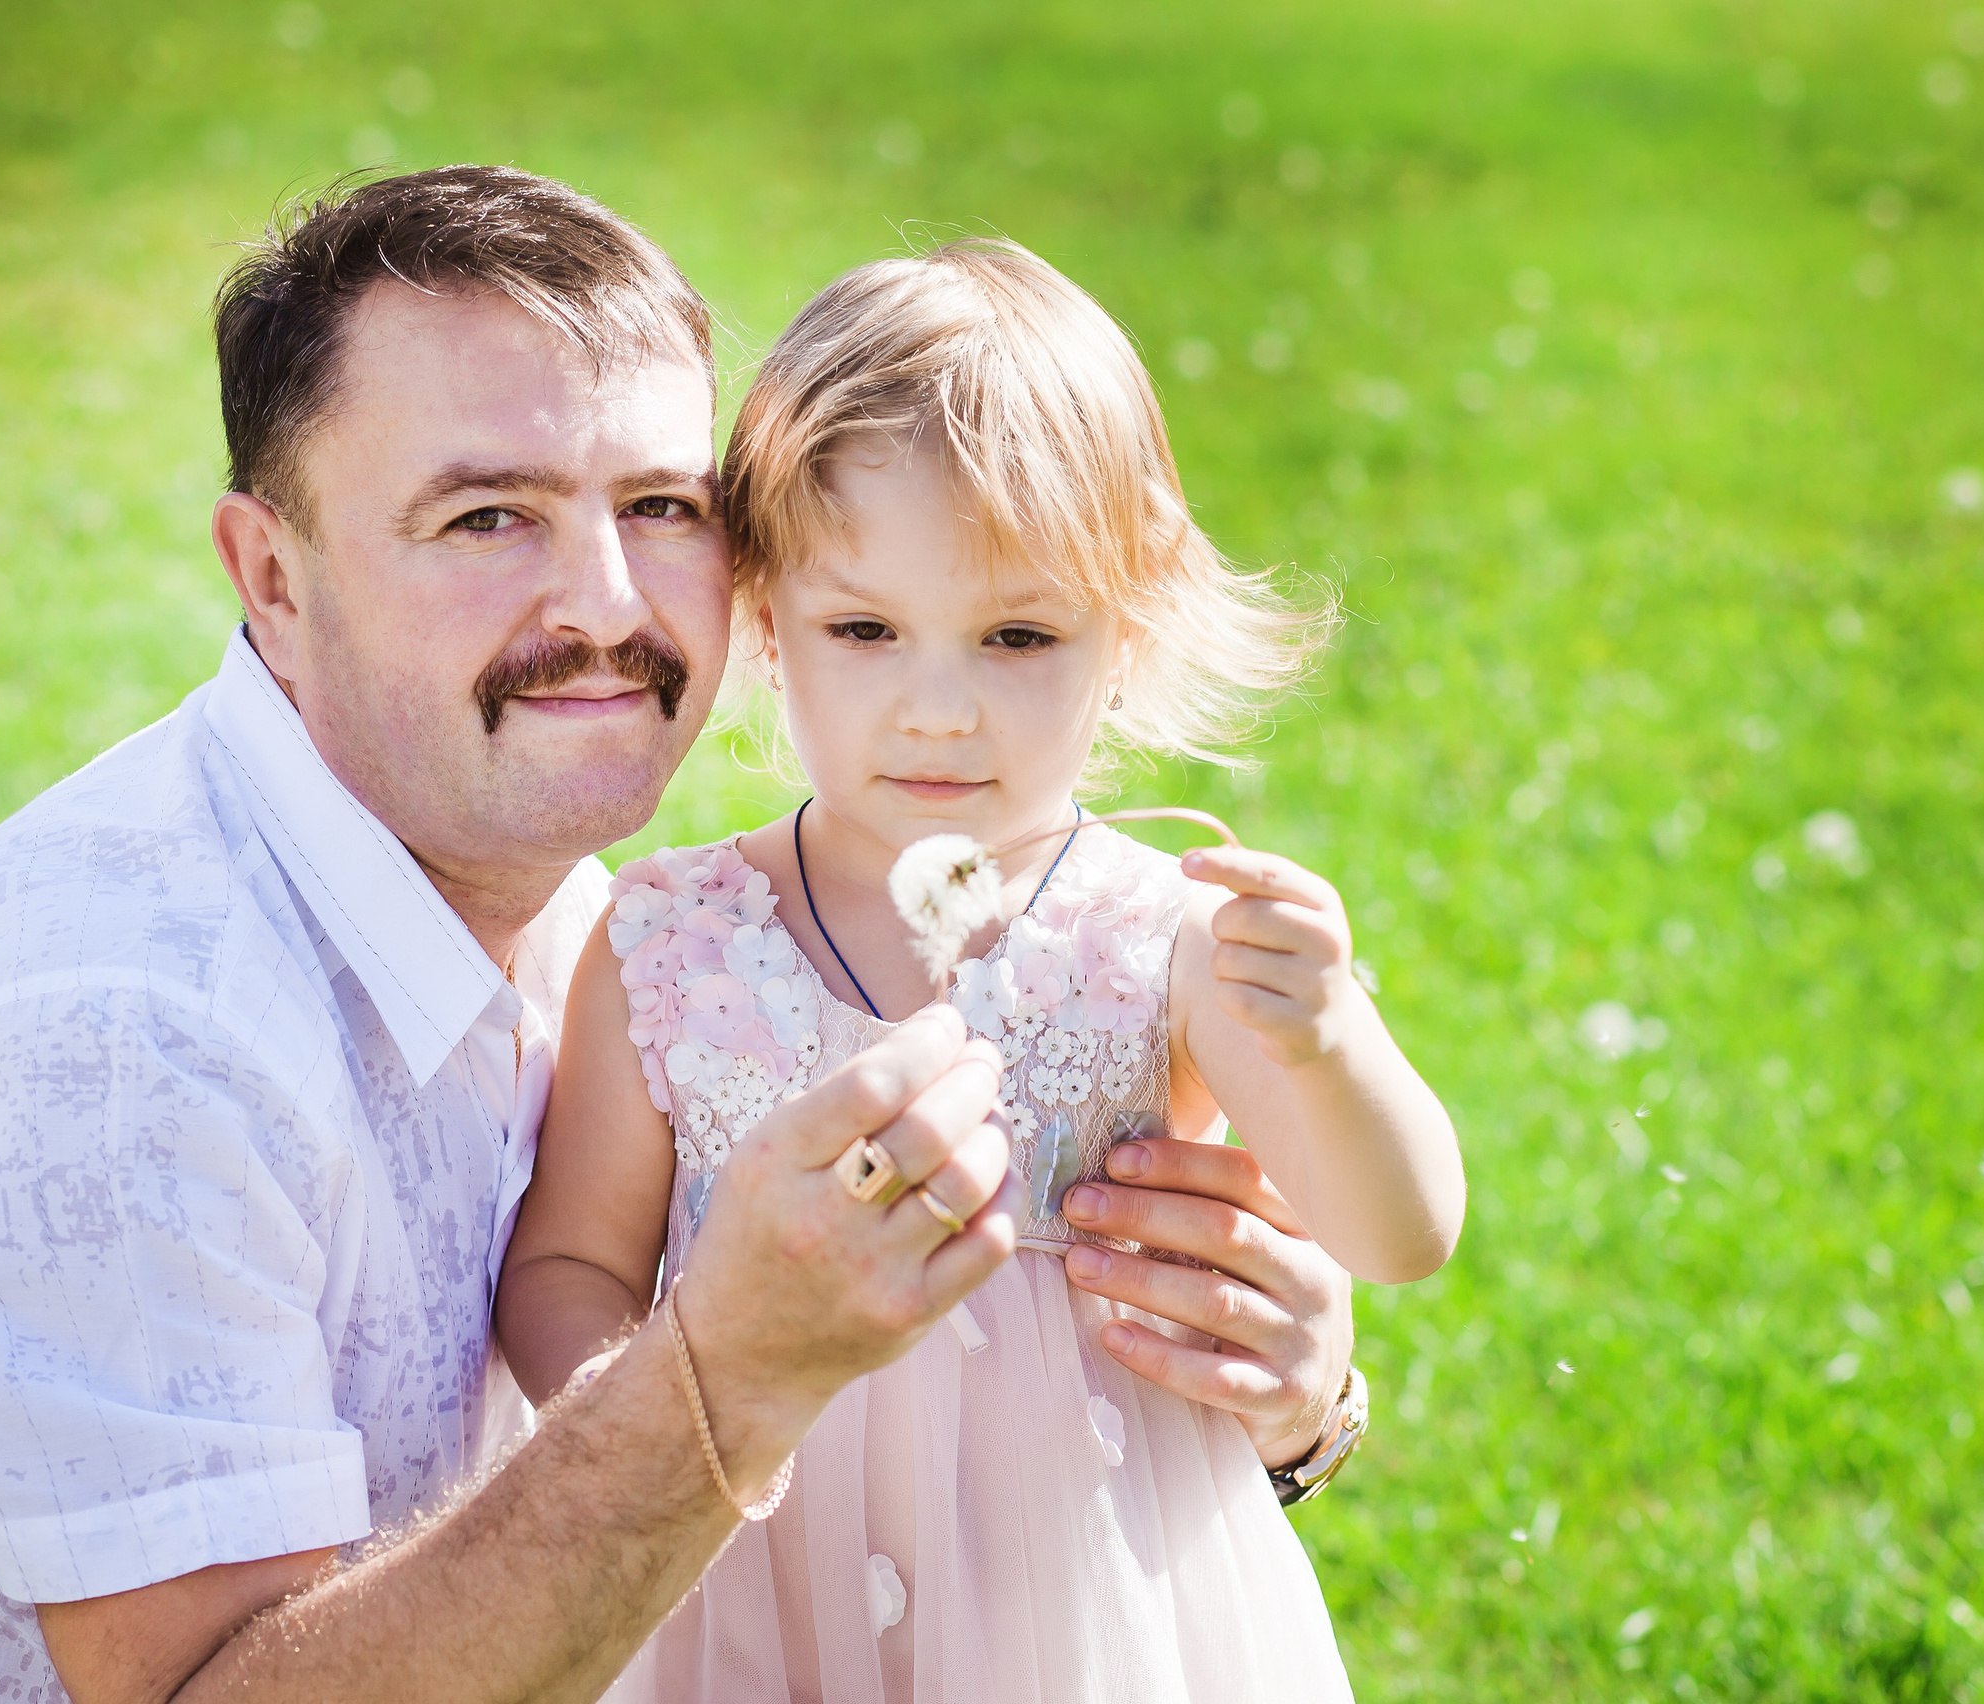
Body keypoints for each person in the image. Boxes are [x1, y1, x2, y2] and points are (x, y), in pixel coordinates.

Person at [0, 169, 1361, 1704]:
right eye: (486, 517)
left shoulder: (603, 918)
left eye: (659, 506)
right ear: (274, 581)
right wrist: (723, 1373)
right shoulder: (114, 1031)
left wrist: (1254, 1407)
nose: (605, 604)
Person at [498, 238, 1464, 1702]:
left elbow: (1398, 1235)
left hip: (1086, 1617)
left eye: (1018, 635)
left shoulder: (1165, 942)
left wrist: (1330, 1039)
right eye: (866, 631)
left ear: (1123, 630)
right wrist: (656, 1426)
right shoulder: (669, 942)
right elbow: (570, 1263)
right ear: (764, 620)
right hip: (749, 1603)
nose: (938, 709)